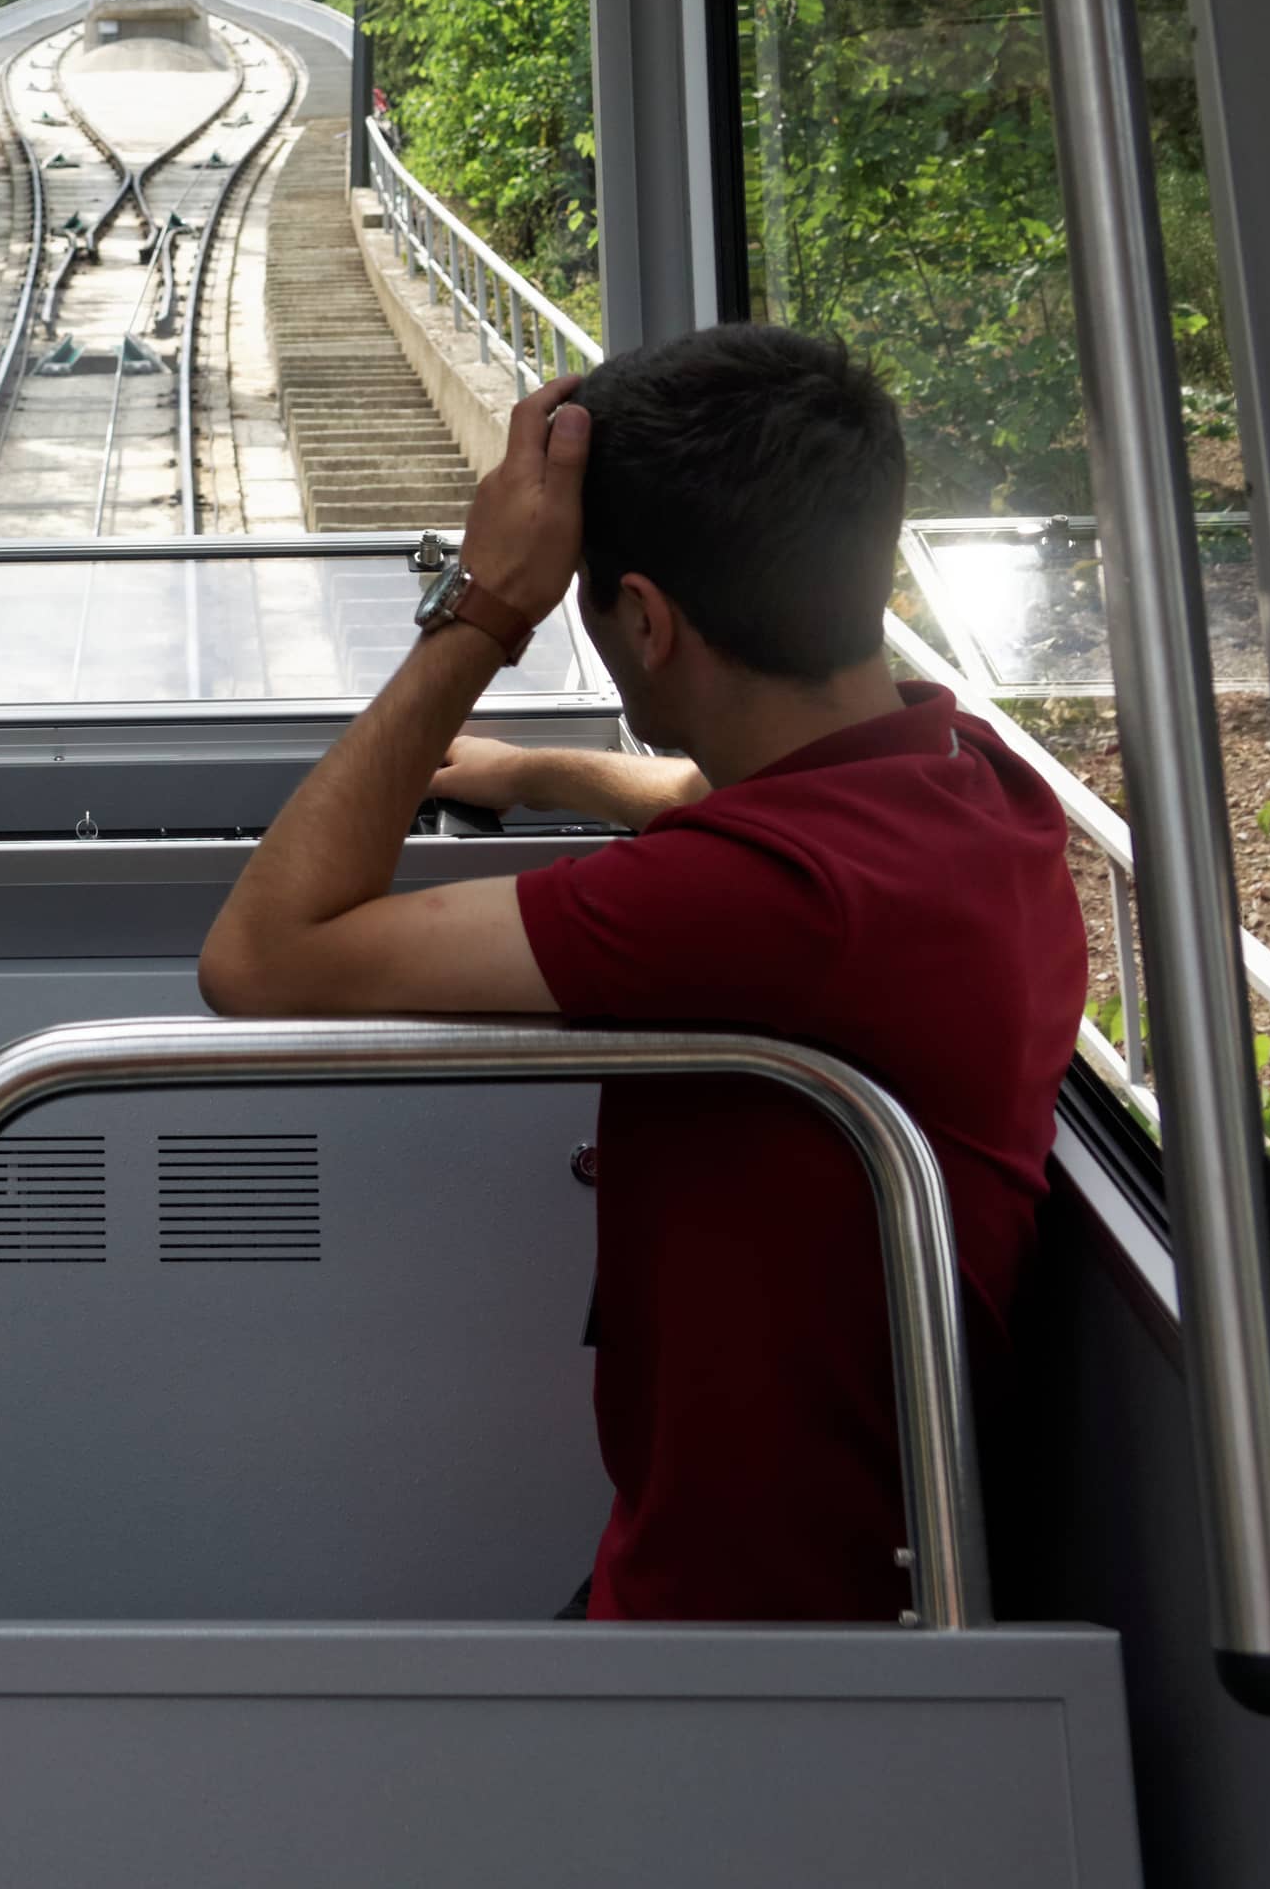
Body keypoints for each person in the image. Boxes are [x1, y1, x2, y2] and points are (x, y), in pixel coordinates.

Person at [197, 325, 1083, 1621]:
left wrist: (483, 613)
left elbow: (259, 959)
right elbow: (715, 798)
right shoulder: (970, 783)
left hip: (745, 1630)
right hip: (843, 1568)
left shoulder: (768, 901)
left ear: (649, 622)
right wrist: (538, 772)